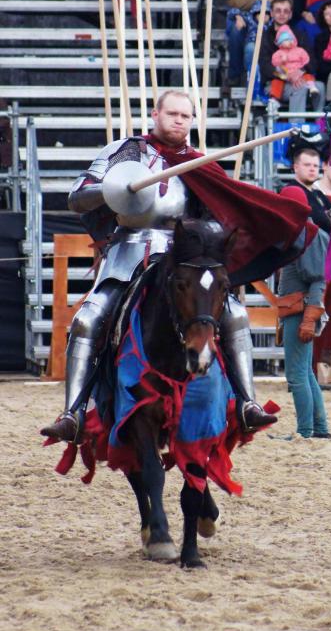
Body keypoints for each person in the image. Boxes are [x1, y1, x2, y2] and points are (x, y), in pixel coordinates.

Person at [40, 90, 313, 443]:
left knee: (234, 314)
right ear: (156, 114)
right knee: (89, 318)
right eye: (172, 114)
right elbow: (77, 196)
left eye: (185, 116)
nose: (178, 121)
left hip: (182, 255)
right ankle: (73, 413)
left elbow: (217, 215)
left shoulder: (199, 165)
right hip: (131, 251)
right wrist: (114, 188)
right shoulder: (128, 151)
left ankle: (247, 403)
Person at [286, 146, 331, 367]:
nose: (312, 169)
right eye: (307, 165)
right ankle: (316, 361)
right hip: (306, 262)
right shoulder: (292, 192)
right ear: (296, 167)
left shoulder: (317, 194)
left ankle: (325, 350)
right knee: (317, 308)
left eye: (315, 166)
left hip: (324, 259)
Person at [277, 185, 330, 439]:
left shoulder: (305, 235)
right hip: (299, 308)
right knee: (305, 372)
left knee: (296, 375)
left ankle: (305, 431)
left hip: (299, 309)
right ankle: (318, 429)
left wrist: (309, 318)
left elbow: (318, 279)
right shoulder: (304, 233)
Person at [259, 0, 326, 111]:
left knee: (320, 87)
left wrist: (299, 72)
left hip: (300, 77)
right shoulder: (264, 36)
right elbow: (265, 66)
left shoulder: (300, 35)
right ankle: (296, 126)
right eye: (278, 11)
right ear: (272, 13)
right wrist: (286, 76)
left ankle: (320, 125)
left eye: (286, 11)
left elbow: (312, 62)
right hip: (276, 83)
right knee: (299, 88)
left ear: (290, 14)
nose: (282, 14)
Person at [270, 25, 320, 109]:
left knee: (308, 76)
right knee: (276, 82)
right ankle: (274, 99)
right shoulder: (278, 53)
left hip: (299, 72)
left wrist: (301, 69)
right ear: (280, 42)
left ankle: (312, 87)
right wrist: (282, 61)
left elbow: (306, 60)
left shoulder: (300, 50)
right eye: (286, 40)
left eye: (290, 39)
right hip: (285, 75)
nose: (289, 42)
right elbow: (274, 63)